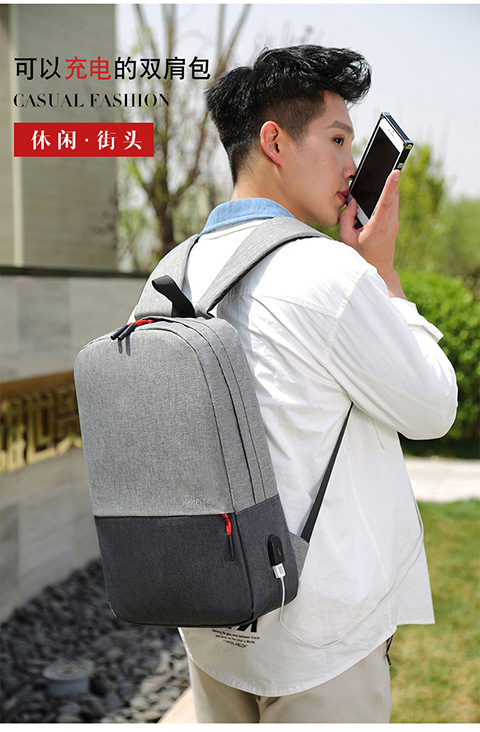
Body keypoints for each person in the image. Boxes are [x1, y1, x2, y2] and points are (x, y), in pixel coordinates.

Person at [176, 45, 457, 723]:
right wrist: (383, 273)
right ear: (275, 142)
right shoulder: (328, 275)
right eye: (337, 140)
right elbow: (433, 407)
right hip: (318, 638)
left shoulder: (171, 274)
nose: (352, 166)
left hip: (211, 623)